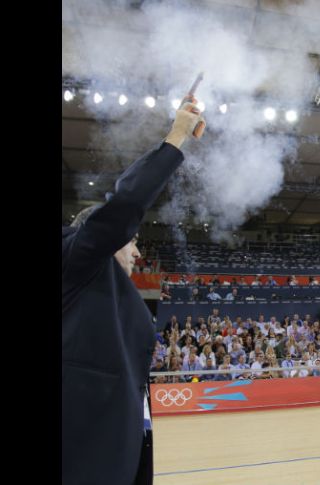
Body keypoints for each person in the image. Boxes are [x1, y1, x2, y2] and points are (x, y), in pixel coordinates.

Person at [62, 98, 205, 484]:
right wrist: (176, 135)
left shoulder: (112, 293)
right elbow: (125, 205)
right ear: (101, 236)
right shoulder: (76, 259)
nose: (138, 252)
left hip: (124, 448)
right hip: (83, 454)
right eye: (131, 241)